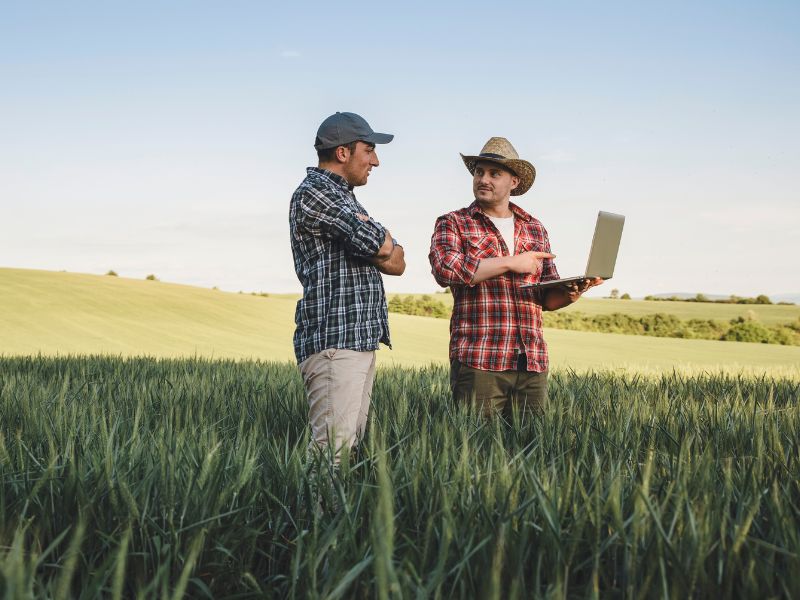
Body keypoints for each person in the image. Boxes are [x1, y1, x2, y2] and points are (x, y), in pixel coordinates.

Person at [428, 137, 601, 417]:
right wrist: (511, 263)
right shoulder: (454, 222)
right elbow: (445, 269)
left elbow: (545, 299)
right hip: (479, 359)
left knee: (531, 452)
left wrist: (572, 292)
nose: (483, 179)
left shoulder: (535, 228)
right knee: (475, 454)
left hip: (531, 363)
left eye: (494, 173)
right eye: (479, 172)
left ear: (514, 182)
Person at [289, 112, 405, 461]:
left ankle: (336, 516)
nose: (376, 160)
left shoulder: (345, 198)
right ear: (343, 153)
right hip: (335, 343)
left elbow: (397, 262)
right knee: (332, 454)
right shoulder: (317, 194)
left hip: (356, 340)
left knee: (347, 451)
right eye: (368, 150)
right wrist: (378, 238)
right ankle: (313, 516)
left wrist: (378, 239)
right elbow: (385, 248)